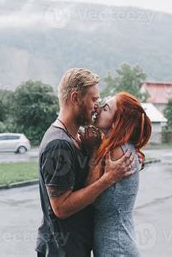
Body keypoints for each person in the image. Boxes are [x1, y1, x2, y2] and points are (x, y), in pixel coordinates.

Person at [35, 68, 137, 257]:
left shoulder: (75, 138)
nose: (97, 106)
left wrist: (93, 151)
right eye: (94, 99)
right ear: (75, 98)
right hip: (62, 251)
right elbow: (61, 208)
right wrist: (109, 178)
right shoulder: (59, 144)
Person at [87, 91, 152, 256]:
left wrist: (94, 149)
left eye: (106, 109)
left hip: (116, 247)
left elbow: (89, 192)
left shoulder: (118, 151)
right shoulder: (122, 148)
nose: (99, 109)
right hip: (117, 243)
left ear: (116, 123)